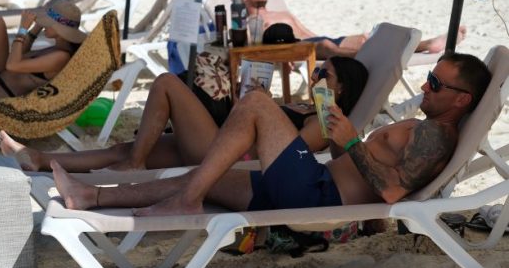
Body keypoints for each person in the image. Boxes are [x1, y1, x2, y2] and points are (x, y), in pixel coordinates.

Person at [51, 52, 491, 217]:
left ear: (462, 100)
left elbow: (392, 192)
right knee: (207, 173)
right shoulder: (424, 126)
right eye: (429, 77)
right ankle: (91, 198)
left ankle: (185, 201)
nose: (427, 87)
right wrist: (341, 138)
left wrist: (353, 141)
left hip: (319, 199)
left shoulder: (437, 138)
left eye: (437, 84)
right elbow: (370, 166)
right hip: (310, 186)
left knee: (257, 103)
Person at [0, 56, 368, 172]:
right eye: (318, 69)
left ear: (341, 89)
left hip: (229, 158)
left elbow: (286, 159)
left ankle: (134, 169)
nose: (316, 75)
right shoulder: (305, 105)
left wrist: (258, 112)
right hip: (223, 140)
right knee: (129, 147)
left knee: (165, 84)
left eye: (325, 74)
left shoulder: (326, 122)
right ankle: (40, 159)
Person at [234, 0, 466, 59]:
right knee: (327, 44)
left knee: (366, 37)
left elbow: (309, 33)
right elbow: (252, 49)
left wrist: (333, 40)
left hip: (317, 43)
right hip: (294, 51)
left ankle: (427, 44)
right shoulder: (247, 23)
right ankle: (376, 58)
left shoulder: (282, 13)